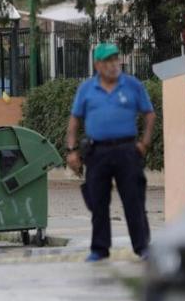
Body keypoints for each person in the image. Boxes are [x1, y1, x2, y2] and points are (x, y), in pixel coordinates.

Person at [66, 42, 155, 262]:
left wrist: (144, 143)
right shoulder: (86, 89)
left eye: (116, 59)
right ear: (97, 65)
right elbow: (75, 120)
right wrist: (72, 150)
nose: (114, 64)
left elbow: (149, 114)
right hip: (98, 152)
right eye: (108, 61)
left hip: (127, 151)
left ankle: (142, 247)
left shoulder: (132, 85)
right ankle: (99, 249)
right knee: (98, 202)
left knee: (134, 200)